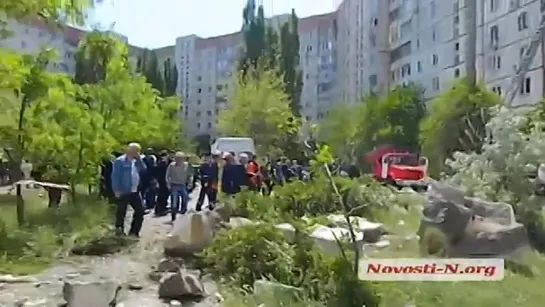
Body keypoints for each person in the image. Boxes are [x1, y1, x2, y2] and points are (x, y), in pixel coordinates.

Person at [111, 143, 147, 237]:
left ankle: (134, 232)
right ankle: (119, 232)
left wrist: (139, 160)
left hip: (135, 190)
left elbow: (143, 170)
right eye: (136, 150)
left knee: (140, 210)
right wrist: (116, 190)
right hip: (123, 190)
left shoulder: (136, 161)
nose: (137, 153)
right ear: (130, 150)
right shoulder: (120, 161)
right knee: (121, 212)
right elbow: (115, 176)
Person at [165, 151, 191, 221]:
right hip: (174, 185)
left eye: (180, 158)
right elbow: (167, 175)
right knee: (174, 202)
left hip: (183, 185)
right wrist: (168, 184)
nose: (179, 160)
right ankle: (173, 217)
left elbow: (190, 175)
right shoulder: (171, 165)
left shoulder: (187, 165)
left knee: (185, 199)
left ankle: (183, 215)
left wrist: (190, 183)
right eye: (177, 158)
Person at [154, 150, 170, 216]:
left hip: (161, 181)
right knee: (163, 195)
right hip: (163, 181)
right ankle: (160, 210)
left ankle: (161, 208)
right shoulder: (163, 164)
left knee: (162, 195)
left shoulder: (159, 163)